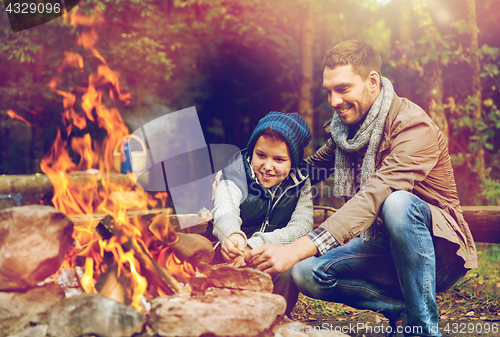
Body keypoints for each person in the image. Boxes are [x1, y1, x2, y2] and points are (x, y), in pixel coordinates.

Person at [241, 40, 478, 337]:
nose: (333, 100)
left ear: (372, 81)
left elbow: (375, 195)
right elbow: (307, 171)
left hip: (439, 256)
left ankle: (422, 329)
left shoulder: (414, 128)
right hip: (383, 248)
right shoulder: (348, 132)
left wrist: (298, 247)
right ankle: (402, 311)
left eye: (342, 89)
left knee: (397, 203)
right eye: (328, 91)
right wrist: (237, 175)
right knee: (305, 272)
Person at [209, 111, 314, 315]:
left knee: (287, 270)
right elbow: (225, 209)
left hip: (268, 254)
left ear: (293, 161)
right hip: (230, 253)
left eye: (279, 159)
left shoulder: (300, 182)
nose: (268, 166)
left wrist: (254, 245)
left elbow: (301, 227)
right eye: (261, 155)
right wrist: (231, 236)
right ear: (251, 151)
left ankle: (277, 317)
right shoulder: (234, 173)